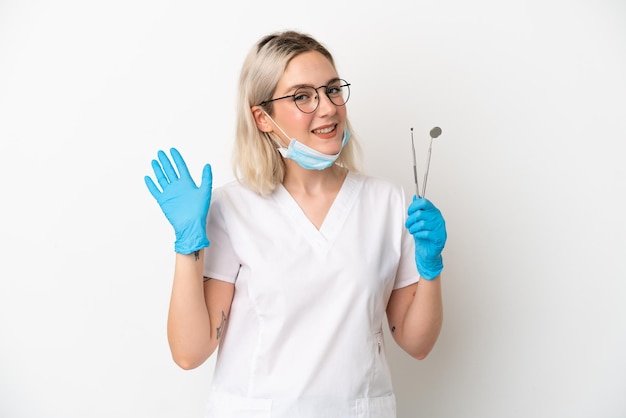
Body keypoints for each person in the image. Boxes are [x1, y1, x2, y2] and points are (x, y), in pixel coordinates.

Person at [145, 30, 447, 418]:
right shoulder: (232, 208)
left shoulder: (388, 202)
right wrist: (188, 247)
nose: (327, 108)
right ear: (262, 117)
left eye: (333, 90)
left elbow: (416, 343)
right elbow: (189, 353)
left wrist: (431, 267)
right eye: (302, 96)